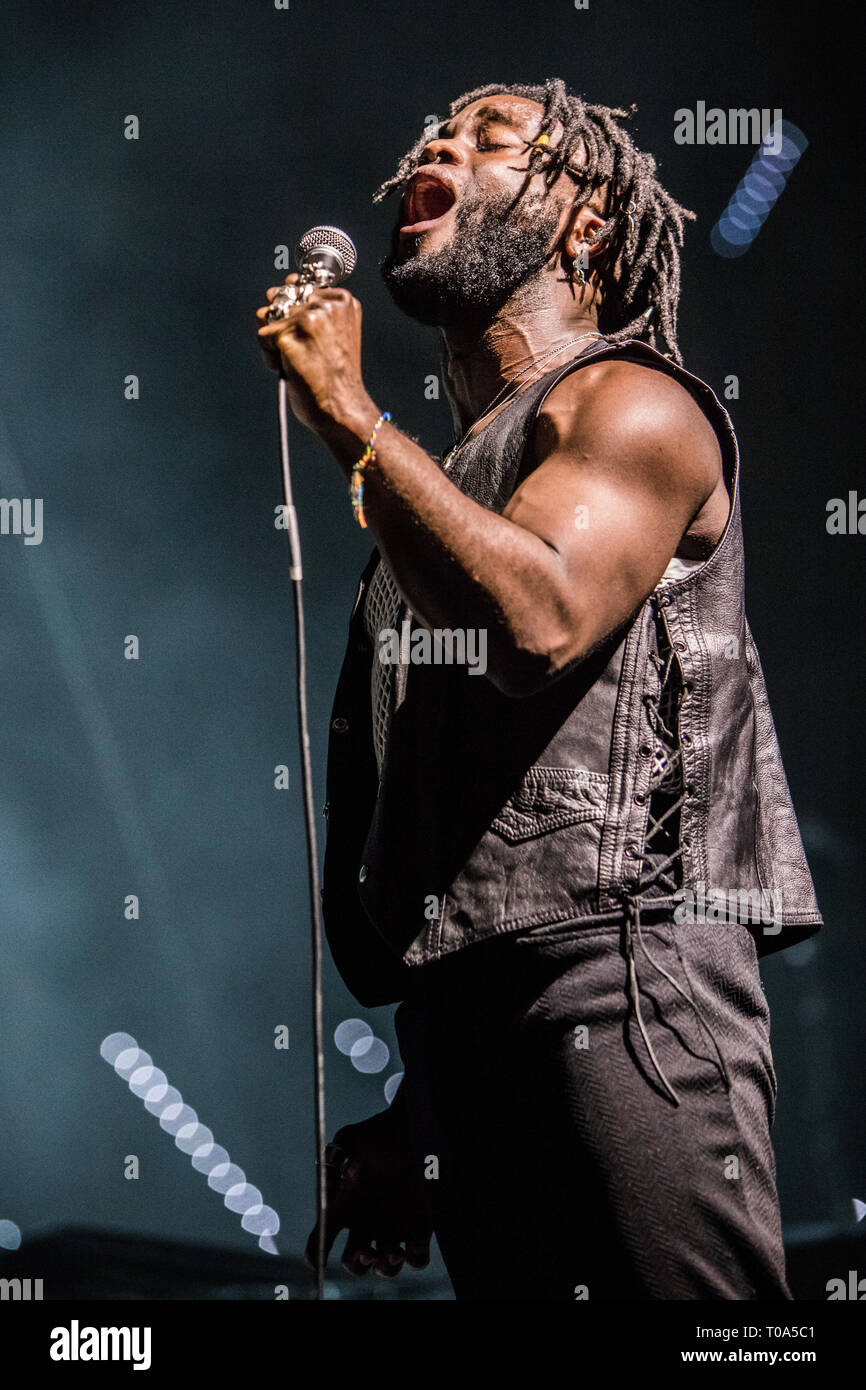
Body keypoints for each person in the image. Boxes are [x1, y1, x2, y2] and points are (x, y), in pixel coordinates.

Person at [256, 79, 822, 1300]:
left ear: (585, 225)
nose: (438, 145)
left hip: (626, 987)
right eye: (429, 136)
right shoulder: (443, 493)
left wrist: (351, 417)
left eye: (488, 137)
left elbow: (539, 623)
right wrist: (424, 1109)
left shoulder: (632, 402)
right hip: (476, 1028)